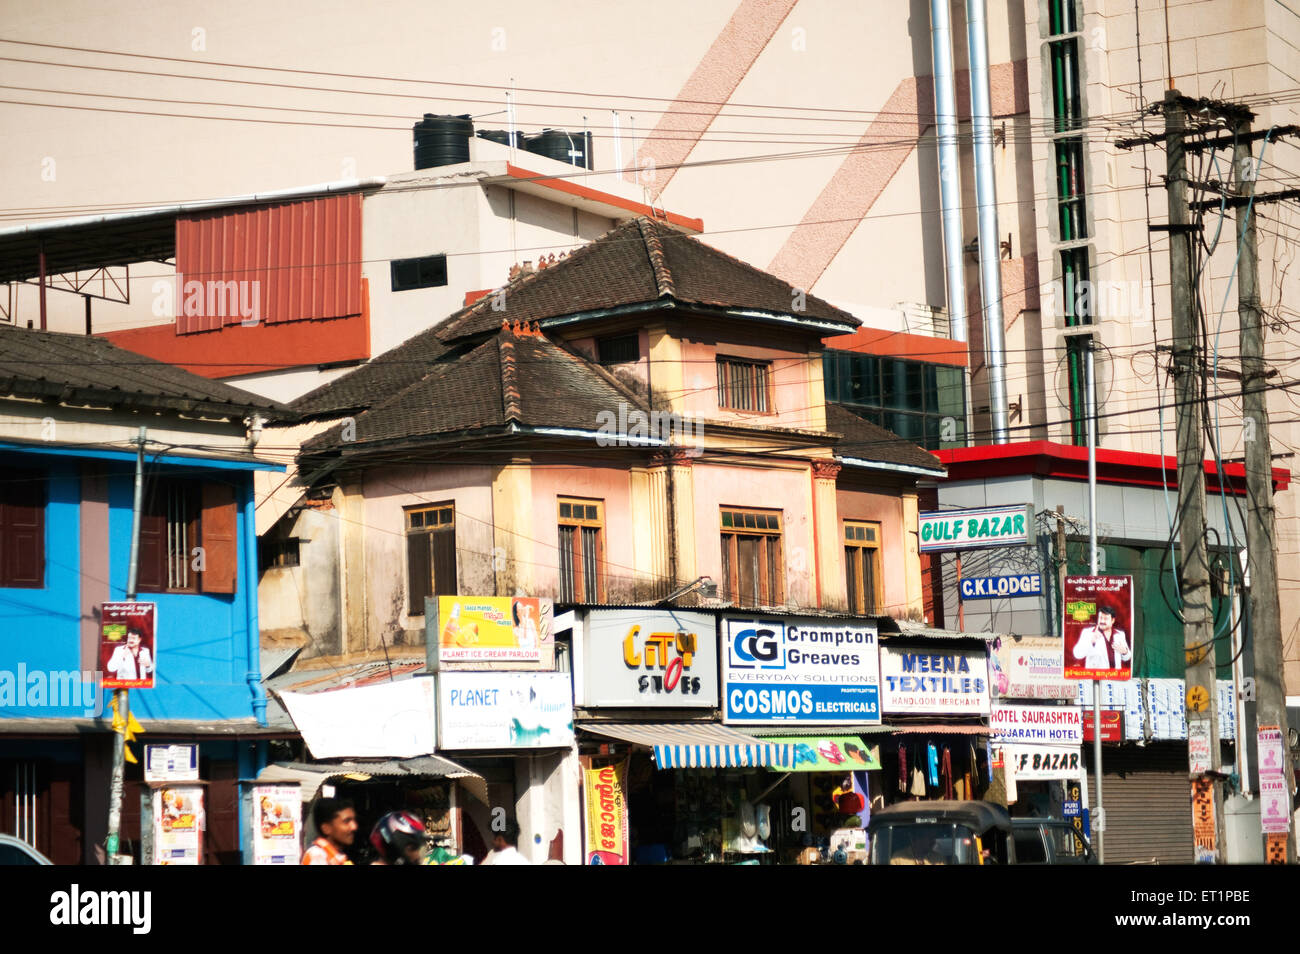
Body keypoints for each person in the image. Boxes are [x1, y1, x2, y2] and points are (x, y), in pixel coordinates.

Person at [1072, 604, 1130, 671]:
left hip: (1116, 677)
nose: (1102, 621)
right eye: (1100, 618)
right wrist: (1091, 641)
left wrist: (1125, 652)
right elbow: (1077, 654)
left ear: (1112, 620)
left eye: (1105, 619)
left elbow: (1127, 657)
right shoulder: (1088, 633)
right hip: (1096, 677)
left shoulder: (1120, 634)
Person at [301, 797, 357, 865]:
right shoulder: (318, 855)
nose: (354, 827)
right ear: (326, 829)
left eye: (354, 820)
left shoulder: (336, 856)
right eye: (346, 821)